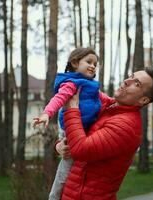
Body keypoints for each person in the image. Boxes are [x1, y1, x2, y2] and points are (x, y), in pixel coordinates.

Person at [55, 67, 153, 199]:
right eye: (131, 76)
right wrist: (60, 145)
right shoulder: (108, 108)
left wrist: (72, 110)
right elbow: (79, 135)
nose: (126, 81)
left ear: (143, 100)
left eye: (136, 83)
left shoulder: (126, 127)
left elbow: (81, 150)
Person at [33, 47, 101, 200]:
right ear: (75, 63)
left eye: (95, 64)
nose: (92, 66)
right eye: (88, 62)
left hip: (84, 128)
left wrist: (115, 103)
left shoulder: (89, 85)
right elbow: (59, 98)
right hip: (70, 130)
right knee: (66, 168)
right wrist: (46, 114)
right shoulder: (72, 83)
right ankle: (54, 197)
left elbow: (102, 100)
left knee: (76, 167)